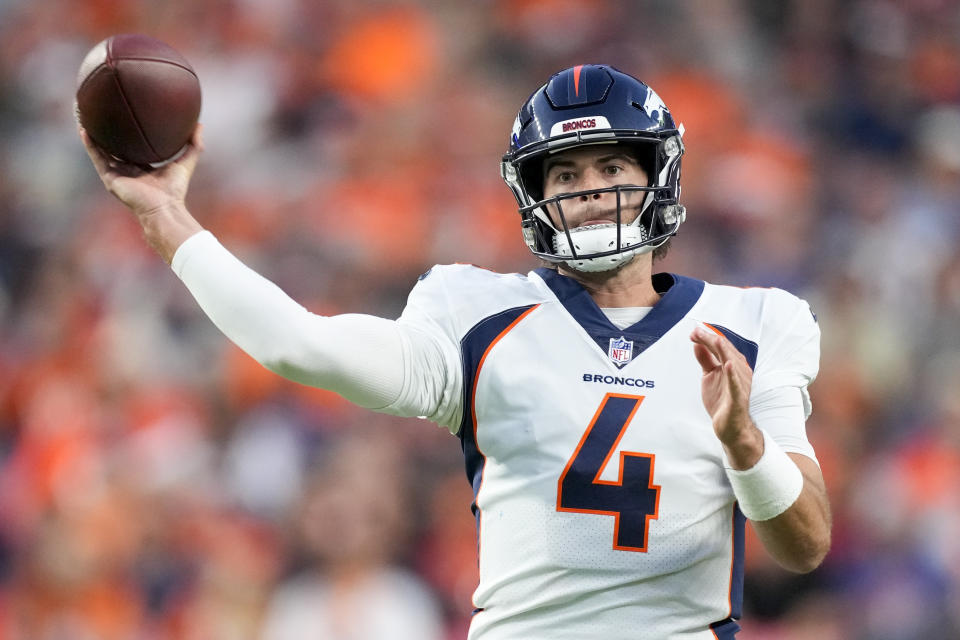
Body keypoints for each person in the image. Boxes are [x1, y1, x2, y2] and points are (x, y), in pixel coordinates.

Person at [80, 64, 831, 639]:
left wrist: (745, 446)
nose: (589, 190)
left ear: (654, 177)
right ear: (532, 194)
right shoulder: (480, 316)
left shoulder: (756, 325)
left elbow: (804, 546)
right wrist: (166, 216)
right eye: (564, 174)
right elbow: (298, 346)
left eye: (611, 168)